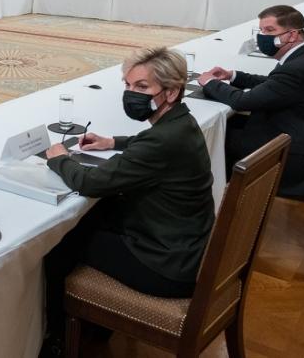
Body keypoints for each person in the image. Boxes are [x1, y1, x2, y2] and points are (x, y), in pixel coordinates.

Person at [40, 48, 214, 352]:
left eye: (142, 87)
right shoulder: (182, 123)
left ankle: (57, 340)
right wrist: (112, 142)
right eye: (128, 85)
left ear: (171, 92)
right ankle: (92, 330)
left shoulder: (162, 141)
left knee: (58, 245)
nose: (131, 94)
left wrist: (60, 159)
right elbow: (148, 143)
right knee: (94, 218)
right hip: (184, 244)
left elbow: (90, 182)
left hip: (165, 265)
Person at [198, 5, 304, 196]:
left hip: (294, 155)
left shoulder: (297, 68)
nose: (263, 36)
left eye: (270, 31)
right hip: (302, 133)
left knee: (209, 138)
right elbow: (273, 83)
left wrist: (210, 83)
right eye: (262, 30)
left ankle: (223, 201)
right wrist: (233, 75)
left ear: (292, 35)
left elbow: (242, 101)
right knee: (227, 123)